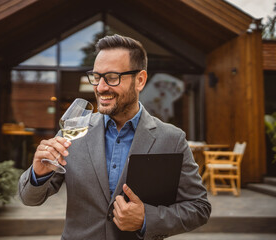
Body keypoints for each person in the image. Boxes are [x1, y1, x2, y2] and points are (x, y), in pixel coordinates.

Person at [18, 34, 211, 240]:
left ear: (140, 80)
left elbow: (198, 208)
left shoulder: (172, 138)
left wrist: (147, 218)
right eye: (96, 76)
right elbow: (30, 199)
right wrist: (38, 175)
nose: (100, 87)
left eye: (112, 77)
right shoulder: (73, 131)